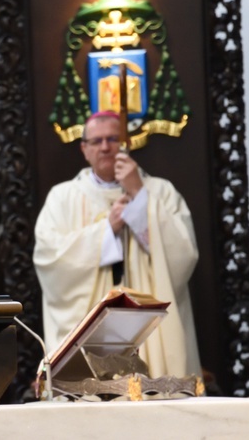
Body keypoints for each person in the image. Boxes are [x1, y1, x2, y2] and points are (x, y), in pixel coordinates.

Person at [33, 110, 201, 379]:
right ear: (84, 149)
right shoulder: (62, 198)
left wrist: (139, 196)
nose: (105, 147)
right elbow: (49, 257)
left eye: (113, 139)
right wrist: (105, 232)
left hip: (150, 332)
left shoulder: (160, 191)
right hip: (90, 320)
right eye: (97, 141)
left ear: (126, 144)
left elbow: (183, 256)